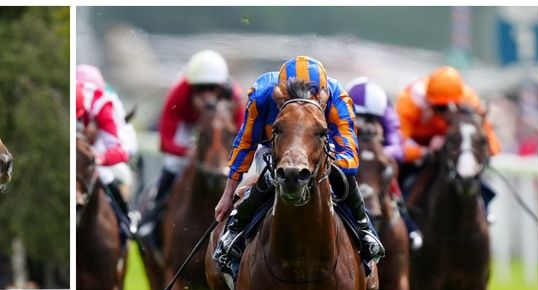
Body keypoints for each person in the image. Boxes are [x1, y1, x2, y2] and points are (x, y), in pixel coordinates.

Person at [213, 55, 385, 275]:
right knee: (268, 174)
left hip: (320, 150)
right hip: (274, 148)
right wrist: (228, 194)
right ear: (279, 95)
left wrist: (320, 162)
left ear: (323, 95)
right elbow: (246, 143)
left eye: (313, 97)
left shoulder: (338, 98)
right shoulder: (262, 94)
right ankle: (236, 230)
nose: (305, 102)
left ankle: (363, 228)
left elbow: (350, 158)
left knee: (343, 176)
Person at [137, 49, 244, 244]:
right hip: (189, 127)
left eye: (212, 88)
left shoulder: (234, 96)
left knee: (236, 170)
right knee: (173, 164)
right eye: (200, 88)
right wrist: (187, 153)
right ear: (191, 86)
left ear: (221, 86)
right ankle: (151, 217)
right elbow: (166, 141)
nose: (206, 95)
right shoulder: (178, 93)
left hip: (218, 132)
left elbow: (243, 133)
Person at [394, 65, 501, 216]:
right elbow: (397, 147)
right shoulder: (409, 100)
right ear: (428, 101)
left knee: (475, 176)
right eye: (442, 108)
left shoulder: (470, 100)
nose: (449, 113)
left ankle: (485, 212)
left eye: (455, 106)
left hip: (454, 149)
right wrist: (425, 151)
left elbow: (493, 146)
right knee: (395, 181)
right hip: (419, 152)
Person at [346, 77, 423, 249]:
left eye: (371, 117)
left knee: (390, 178)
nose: (365, 120)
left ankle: (407, 223)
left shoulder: (387, 112)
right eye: (360, 115)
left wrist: (377, 154)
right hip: (351, 158)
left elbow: (398, 146)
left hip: (375, 161)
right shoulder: (342, 108)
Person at [76, 68, 132, 225]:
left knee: (108, 176)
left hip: (100, 147)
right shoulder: (76, 98)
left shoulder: (104, 107)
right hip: (82, 148)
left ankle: (126, 223)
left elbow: (122, 151)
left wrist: (99, 159)